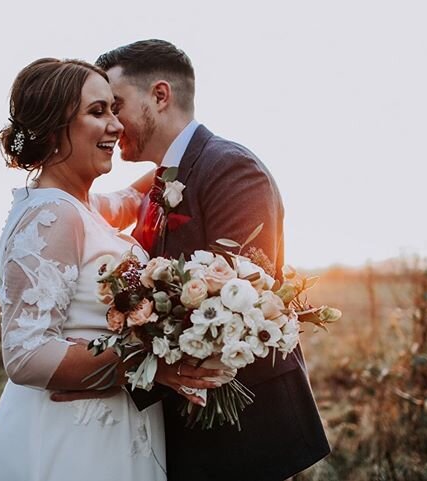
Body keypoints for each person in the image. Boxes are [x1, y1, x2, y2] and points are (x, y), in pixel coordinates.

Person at [94, 39, 331, 481]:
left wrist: (109, 375)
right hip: (192, 421)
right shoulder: (165, 178)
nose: (110, 122)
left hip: (243, 429)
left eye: (116, 105)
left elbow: (236, 307)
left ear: (160, 96)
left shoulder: (230, 168)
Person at [0, 57, 221, 481]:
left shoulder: (81, 206)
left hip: (106, 425)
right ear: (55, 128)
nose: (116, 125)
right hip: (72, 437)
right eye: (98, 112)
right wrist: (148, 366)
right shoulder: (55, 215)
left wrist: (192, 156)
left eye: (114, 109)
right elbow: (26, 355)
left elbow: (130, 199)